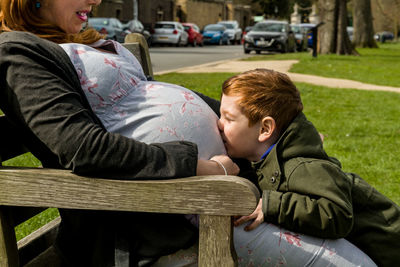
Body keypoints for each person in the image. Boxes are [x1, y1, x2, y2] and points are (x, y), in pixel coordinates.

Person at [0, 0, 239, 266]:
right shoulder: (17, 52)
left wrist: (255, 116)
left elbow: (145, 93)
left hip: (216, 197)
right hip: (167, 223)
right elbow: (84, 148)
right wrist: (198, 167)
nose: (97, 1)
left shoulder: (72, 38)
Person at [218, 68, 400, 266]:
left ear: (264, 129)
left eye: (228, 118)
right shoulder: (266, 157)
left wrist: (273, 205)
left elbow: (337, 213)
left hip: (390, 249)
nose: (219, 124)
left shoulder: (302, 165)